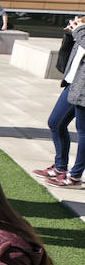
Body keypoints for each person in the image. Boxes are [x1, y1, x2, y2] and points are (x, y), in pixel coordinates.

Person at [32, 14, 85, 189]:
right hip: (75, 82)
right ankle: (60, 167)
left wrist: (79, 30)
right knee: (55, 122)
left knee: (83, 132)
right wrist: (72, 32)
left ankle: (75, 176)